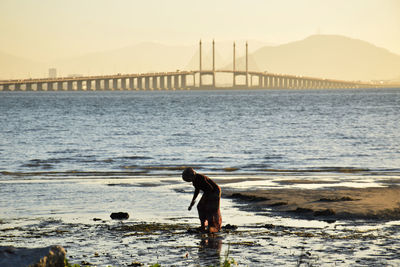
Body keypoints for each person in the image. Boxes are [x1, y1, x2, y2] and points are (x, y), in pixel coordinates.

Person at [182, 167, 222, 233]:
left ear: (192, 175)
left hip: (215, 191)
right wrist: (192, 201)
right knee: (200, 207)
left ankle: (212, 226)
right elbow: (197, 191)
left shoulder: (201, 178)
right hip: (208, 192)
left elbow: (210, 188)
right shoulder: (194, 181)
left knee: (210, 208)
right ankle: (203, 226)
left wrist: (205, 199)